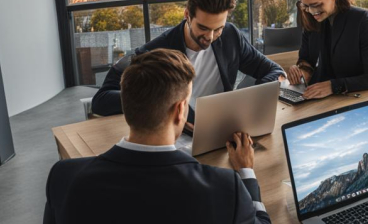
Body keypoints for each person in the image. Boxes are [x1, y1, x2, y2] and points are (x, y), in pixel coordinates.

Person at [43, 49, 270, 224]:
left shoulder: (63, 177)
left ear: (127, 104)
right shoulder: (225, 187)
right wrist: (246, 172)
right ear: (180, 110)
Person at [92, 0, 285, 129]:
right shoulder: (155, 51)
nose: (210, 37)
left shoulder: (231, 35)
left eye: (218, 28)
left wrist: (248, 101)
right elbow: (101, 101)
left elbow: (275, 71)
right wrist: (160, 99)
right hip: (178, 134)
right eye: (203, 27)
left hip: (224, 128)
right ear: (187, 15)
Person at [285, 0, 368, 98]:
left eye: (317, 4)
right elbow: (306, 58)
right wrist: (301, 71)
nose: (312, 12)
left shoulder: (359, 19)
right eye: (306, 5)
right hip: (316, 96)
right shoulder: (310, 16)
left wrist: (333, 86)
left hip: (349, 99)